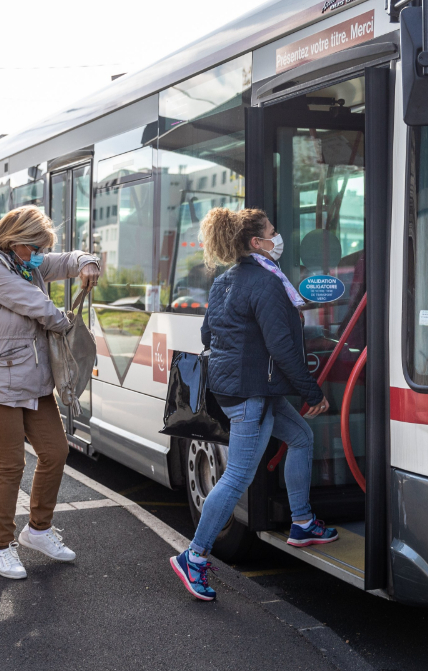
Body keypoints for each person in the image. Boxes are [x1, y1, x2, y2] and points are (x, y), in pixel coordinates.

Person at [170, 207, 335, 602]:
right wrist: (312, 392)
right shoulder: (266, 284)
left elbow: (210, 334)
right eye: (272, 232)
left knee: (299, 437)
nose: (278, 238)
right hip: (251, 394)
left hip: (242, 388)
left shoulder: (226, 280)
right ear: (256, 242)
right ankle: (193, 556)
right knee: (238, 476)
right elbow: (281, 346)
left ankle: (301, 522)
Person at [0, 205, 100, 580]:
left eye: (42, 249)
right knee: (10, 465)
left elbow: (64, 260)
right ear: (15, 241)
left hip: (31, 379)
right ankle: (2, 548)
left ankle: (38, 529)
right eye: (35, 247)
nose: (39, 255)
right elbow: (34, 304)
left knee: (55, 452)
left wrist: (87, 262)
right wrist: (66, 321)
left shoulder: (26, 261)